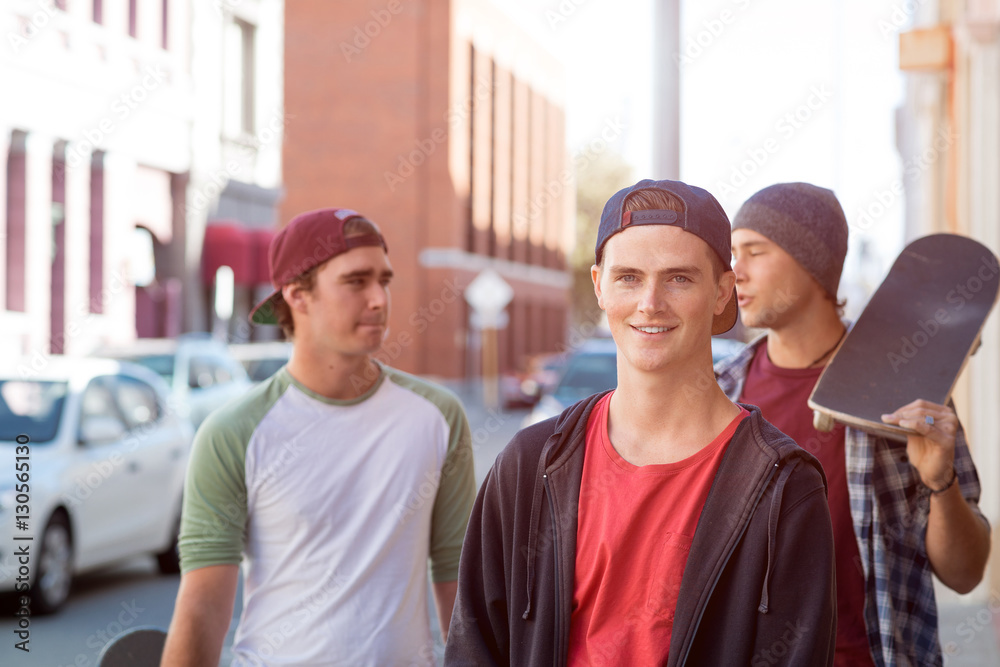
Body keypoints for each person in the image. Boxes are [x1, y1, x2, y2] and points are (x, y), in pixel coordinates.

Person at [446, 179, 837, 666]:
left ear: (721, 292)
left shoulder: (782, 486)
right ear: (599, 286)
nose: (650, 302)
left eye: (679, 278)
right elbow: (473, 649)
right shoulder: (530, 465)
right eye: (628, 277)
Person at [160, 208, 477, 666]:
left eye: (384, 280)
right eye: (356, 281)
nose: (379, 299)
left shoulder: (437, 416)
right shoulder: (233, 433)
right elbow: (202, 606)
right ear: (297, 295)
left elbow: (456, 579)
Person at [718, 182, 992, 666]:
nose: (734, 271)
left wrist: (939, 482)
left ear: (815, 264)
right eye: (732, 252)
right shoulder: (720, 392)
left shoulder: (904, 385)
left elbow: (966, 574)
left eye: (755, 251)